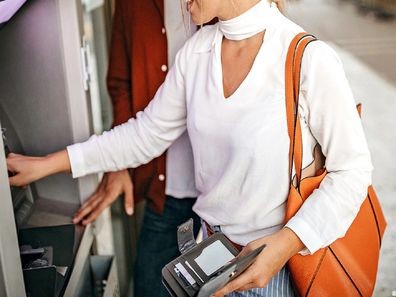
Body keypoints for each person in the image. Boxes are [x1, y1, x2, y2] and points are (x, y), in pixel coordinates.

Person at [7, 0, 373, 296]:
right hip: (211, 259)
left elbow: (352, 171)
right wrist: (47, 165)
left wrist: (286, 244)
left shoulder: (307, 57)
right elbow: (144, 134)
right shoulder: (196, 54)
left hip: (280, 271)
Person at [72, 0, 201, 296]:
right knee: (149, 286)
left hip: (226, 198)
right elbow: (121, 84)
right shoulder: (132, 3)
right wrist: (119, 164)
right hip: (166, 191)